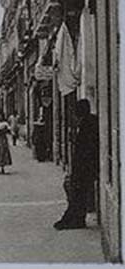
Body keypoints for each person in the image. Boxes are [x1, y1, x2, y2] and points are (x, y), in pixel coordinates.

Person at [55, 98, 99, 230]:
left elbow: (86, 149)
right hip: (85, 167)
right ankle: (76, 218)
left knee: (78, 194)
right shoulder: (90, 122)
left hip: (84, 167)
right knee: (78, 193)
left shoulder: (87, 125)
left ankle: (76, 219)